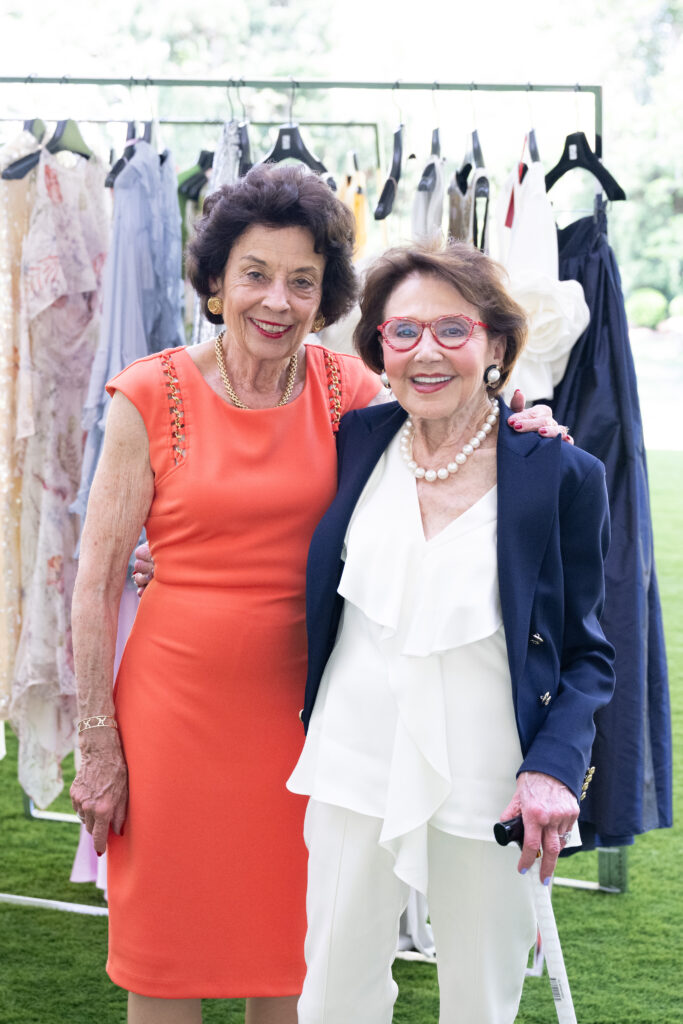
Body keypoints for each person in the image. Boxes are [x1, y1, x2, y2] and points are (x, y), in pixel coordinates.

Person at [70, 164, 567, 1024]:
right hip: (171, 717)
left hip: (309, 725)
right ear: (216, 283)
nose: (277, 299)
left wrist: (521, 422)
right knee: (164, 956)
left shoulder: (354, 392)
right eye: (255, 274)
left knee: (297, 953)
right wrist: (97, 743)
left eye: (302, 281)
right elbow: (96, 577)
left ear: (326, 295)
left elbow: (448, 429)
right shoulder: (148, 393)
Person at [287, 243, 616, 1024]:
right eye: (401, 333)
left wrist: (553, 769)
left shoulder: (560, 474)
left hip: (489, 775)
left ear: (496, 345)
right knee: (332, 991)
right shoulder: (352, 443)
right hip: (351, 758)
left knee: (479, 999)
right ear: (378, 349)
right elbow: (256, 517)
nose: (424, 352)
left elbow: (587, 652)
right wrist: (157, 550)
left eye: (452, 330)